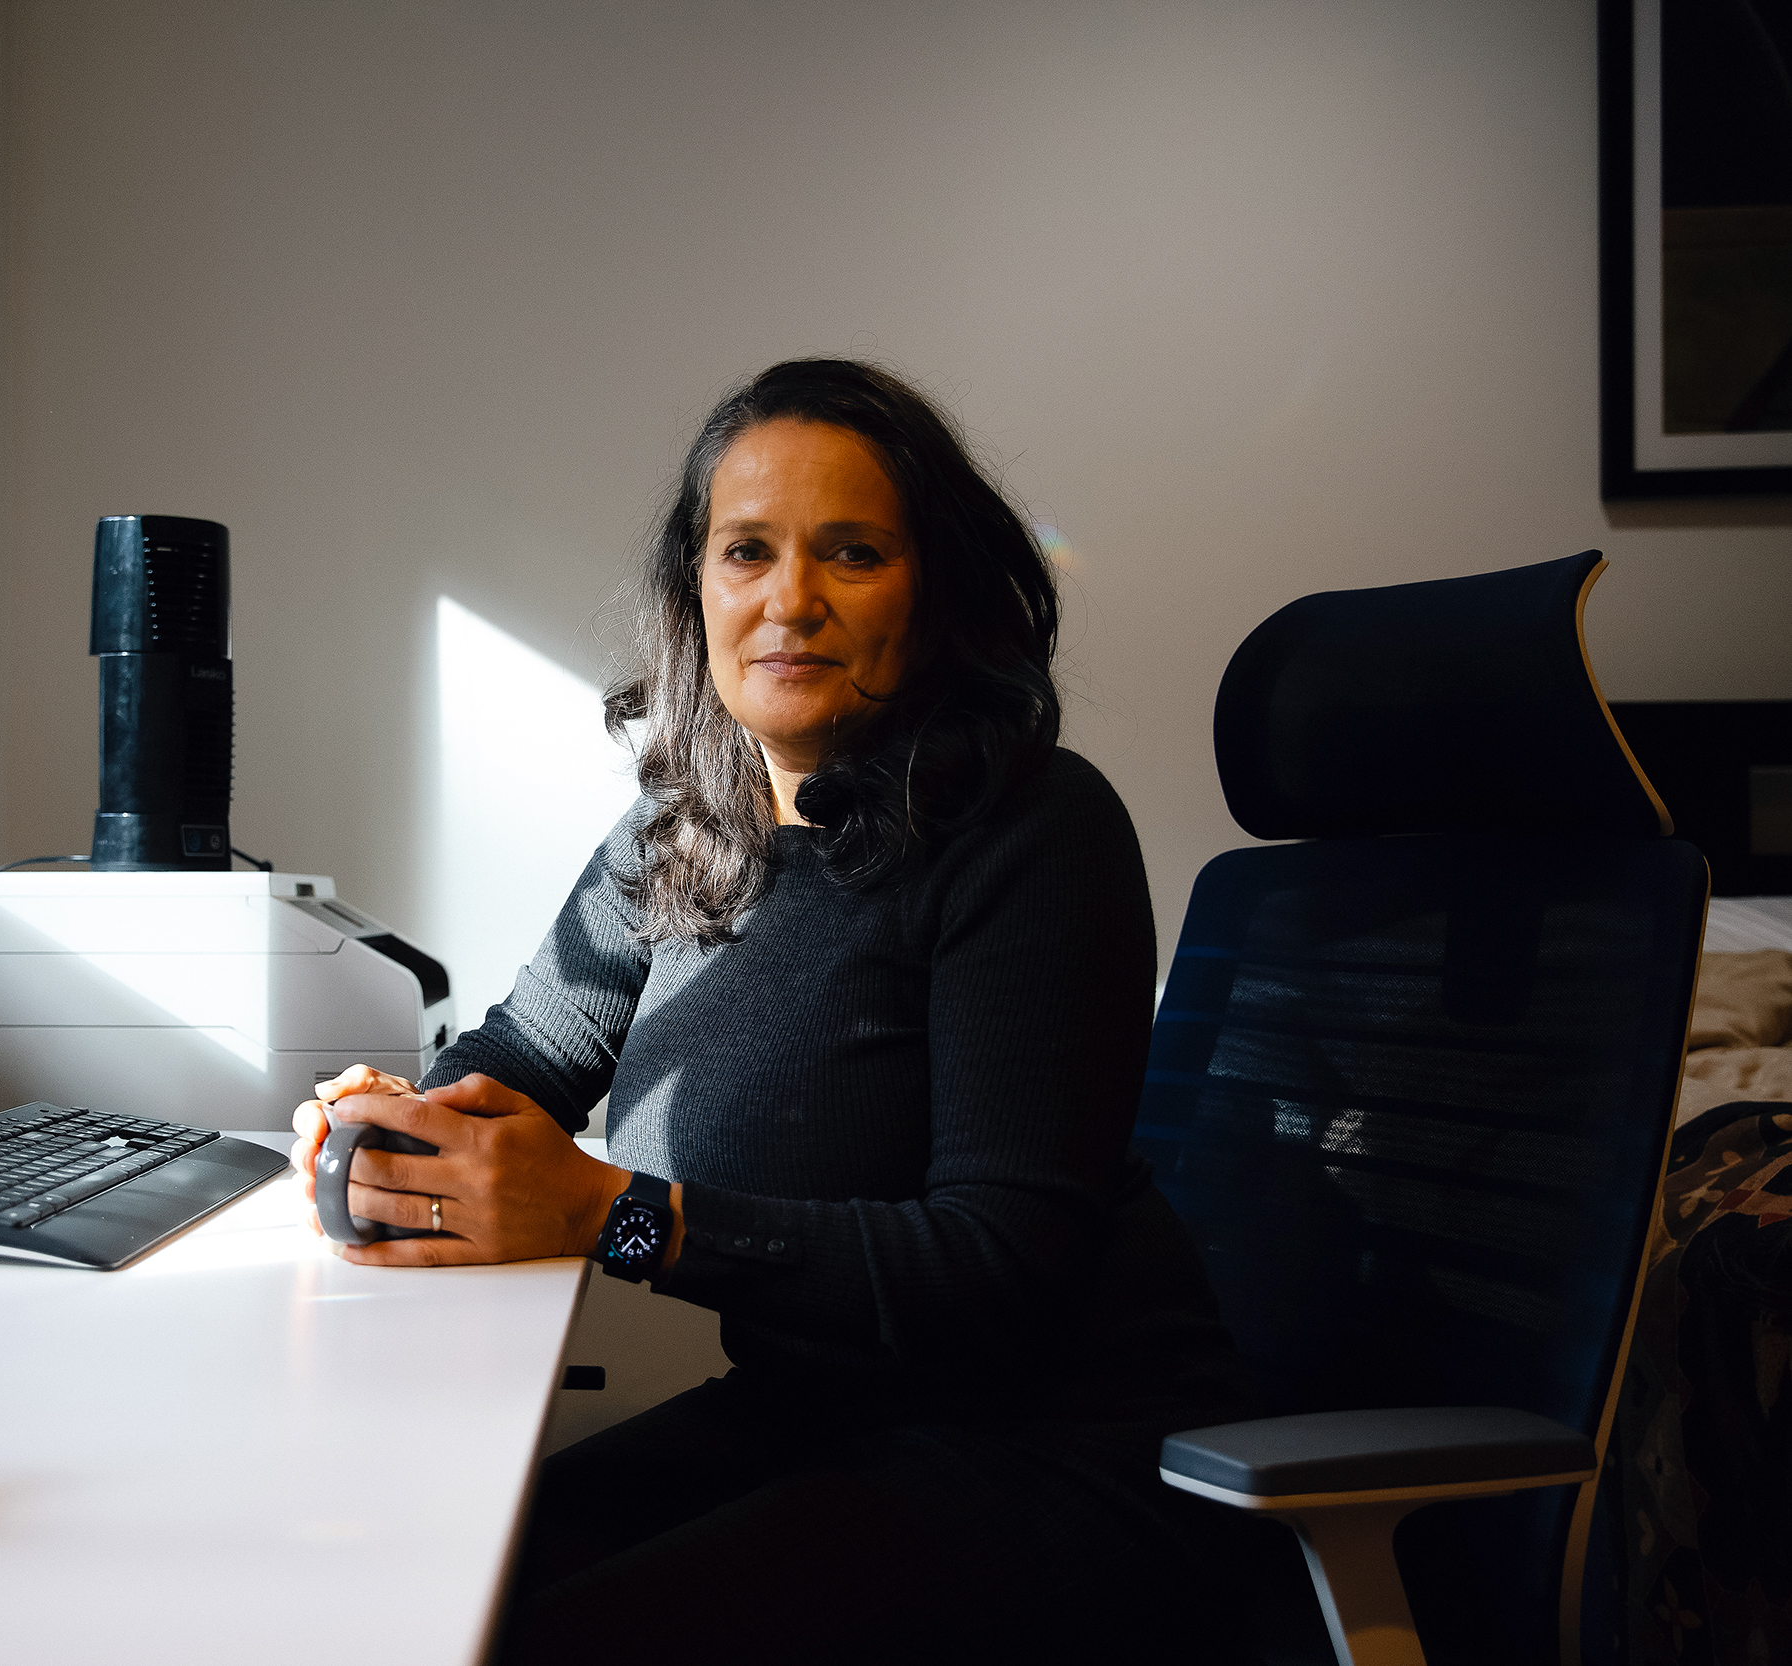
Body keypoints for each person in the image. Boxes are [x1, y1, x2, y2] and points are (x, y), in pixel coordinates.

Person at [289, 359, 1249, 1663]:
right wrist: (395, 1128)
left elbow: (1000, 1264)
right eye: (749, 551)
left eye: (851, 552)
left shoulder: (1033, 829)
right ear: (700, 587)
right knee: (416, 1581)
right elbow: (520, 1059)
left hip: (1051, 1455)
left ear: (934, 589)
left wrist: (614, 1213)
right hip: (814, 1417)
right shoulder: (685, 825)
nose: (791, 599)